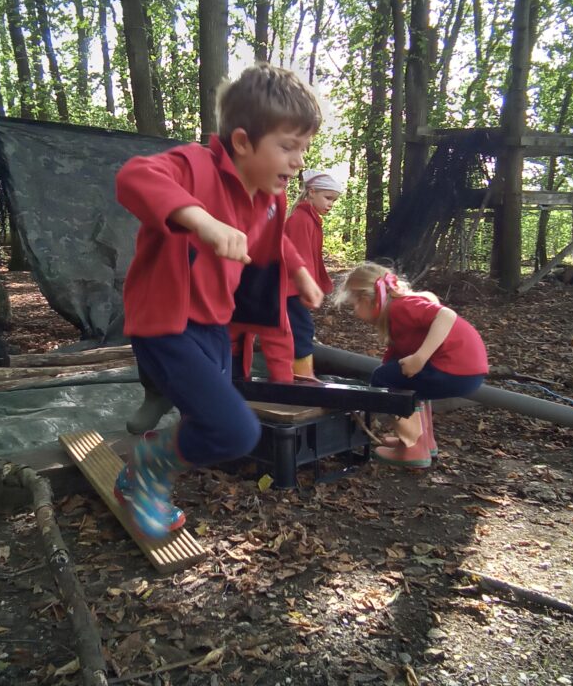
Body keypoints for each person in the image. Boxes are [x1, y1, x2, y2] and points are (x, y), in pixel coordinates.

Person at [114, 63, 325, 539]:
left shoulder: (270, 197)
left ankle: (159, 405)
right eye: (287, 147)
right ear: (244, 141)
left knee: (209, 413)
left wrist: (301, 275)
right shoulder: (195, 165)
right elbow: (134, 176)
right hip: (166, 324)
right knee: (235, 432)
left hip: (215, 324)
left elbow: (276, 241)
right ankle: (144, 471)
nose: (297, 161)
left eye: (303, 149)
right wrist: (203, 222)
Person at [335, 262, 488, 468]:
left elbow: (446, 315)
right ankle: (424, 442)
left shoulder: (402, 306)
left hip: (455, 367)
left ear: (366, 300)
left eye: (354, 304)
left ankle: (412, 448)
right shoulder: (396, 313)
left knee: (384, 379)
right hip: (466, 370)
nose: (354, 311)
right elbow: (392, 360)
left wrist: (420, 357)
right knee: (397, 378)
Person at [284, 170, 344, 378]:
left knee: (300, 328)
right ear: (311, 192)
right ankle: (302, 376)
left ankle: (300, 373)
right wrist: (305, 286)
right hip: (291, 288)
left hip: (296, 287)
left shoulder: (310, 219)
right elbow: (299, 257)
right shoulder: (300, 219)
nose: (331, 204)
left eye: (334, 201)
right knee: (301, 329)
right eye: (328, 198)